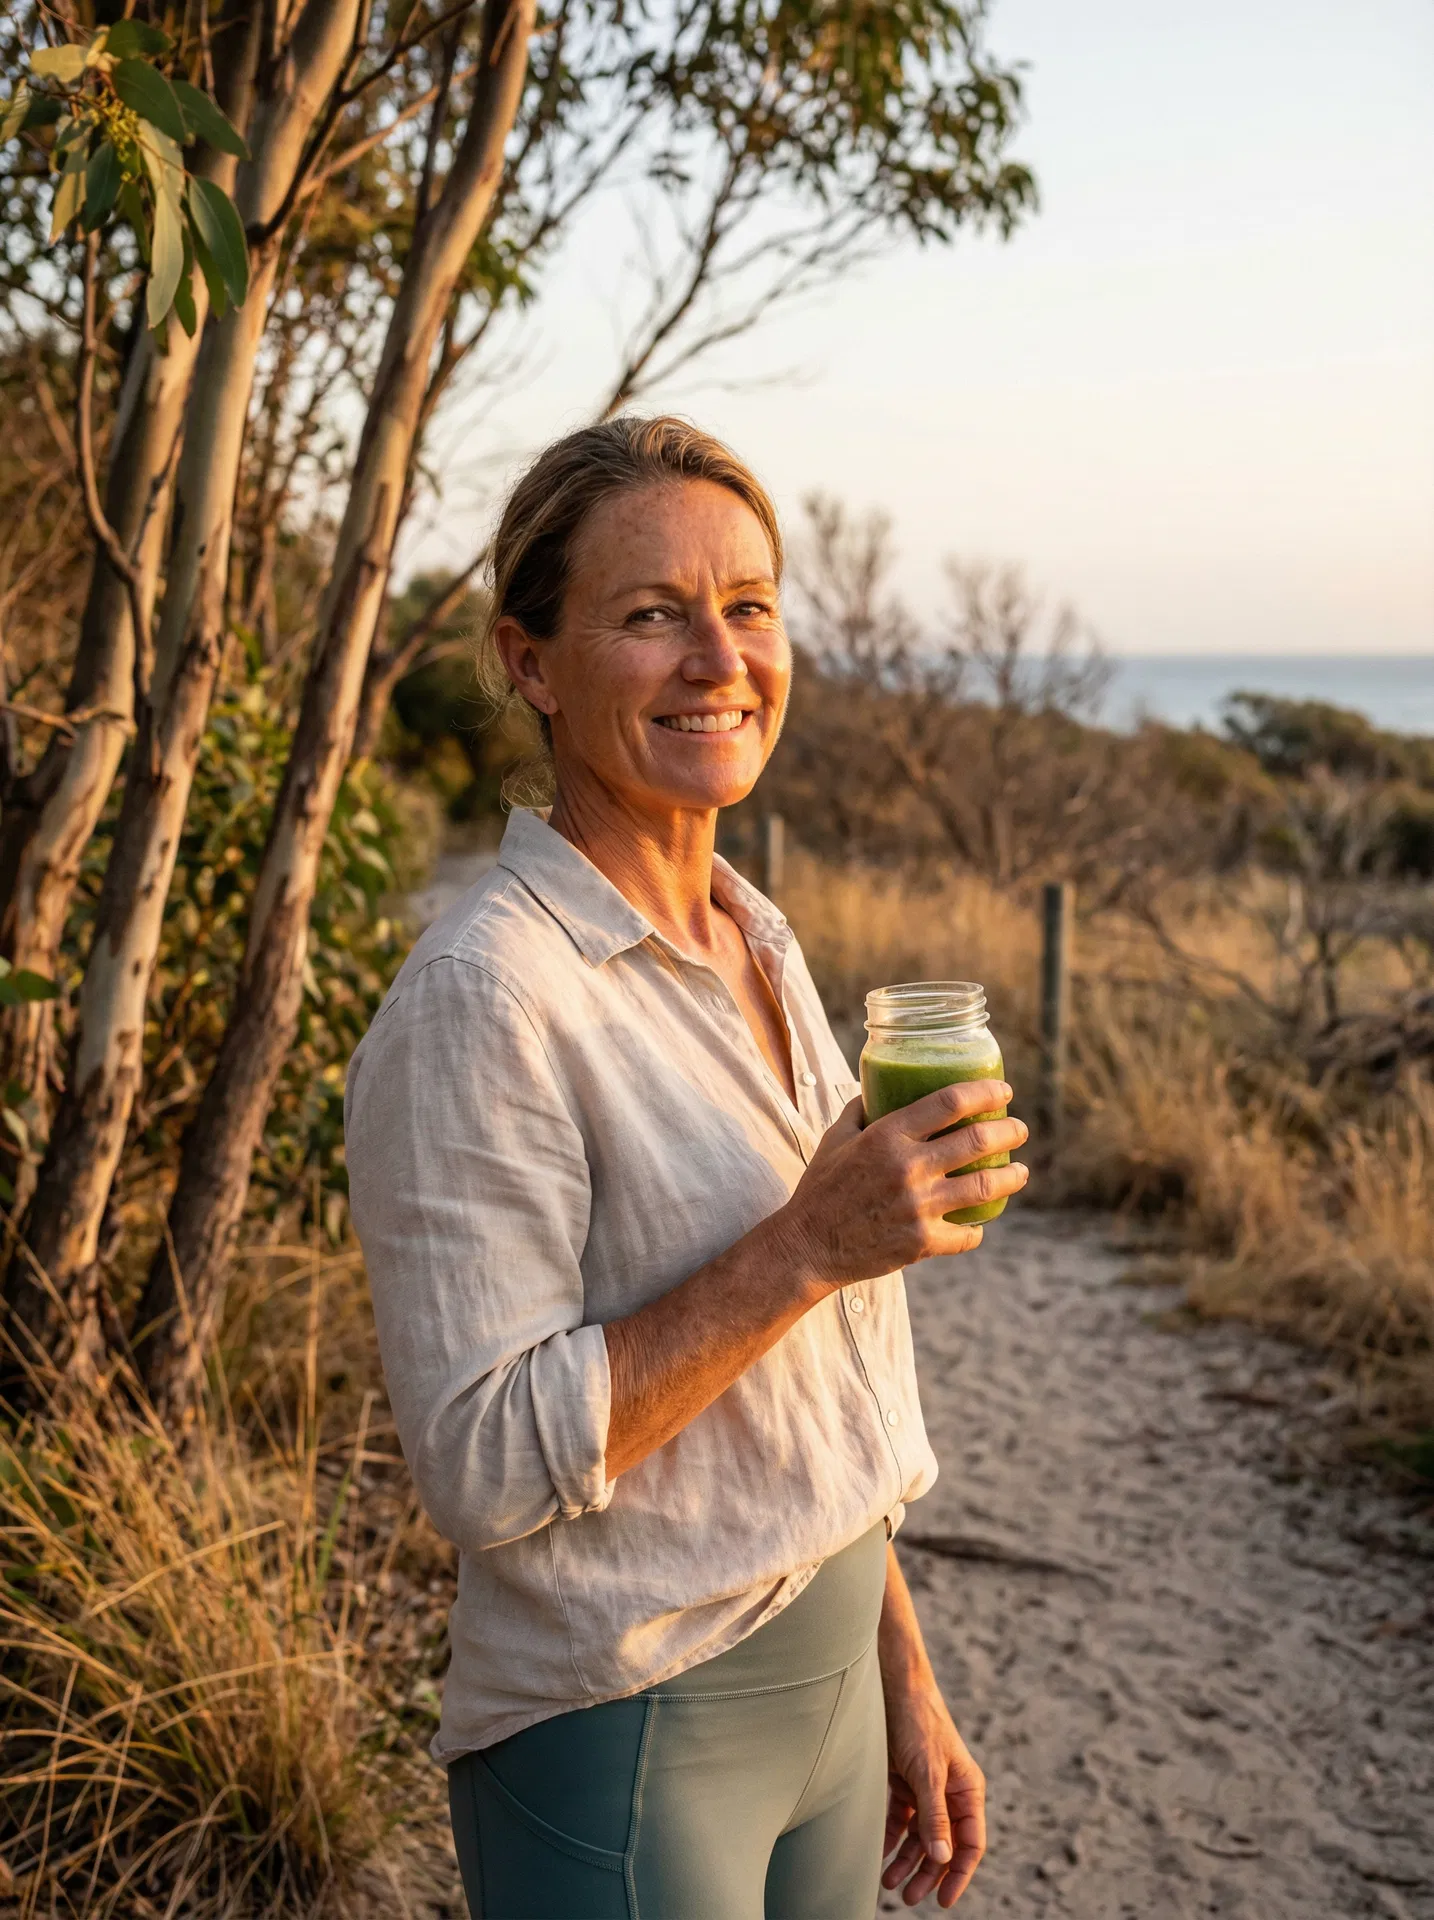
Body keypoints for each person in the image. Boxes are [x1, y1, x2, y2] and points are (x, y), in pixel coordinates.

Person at [344, 415, 1030, 1919]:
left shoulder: (753, 931)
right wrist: (802, 1245)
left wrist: (895, 1672)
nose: (719, 661)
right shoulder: (487, 993)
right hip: (630, 1722)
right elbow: (479, 1466)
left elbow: (815, 1386)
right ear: (531, 663)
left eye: (747, 606)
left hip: (831, 1690)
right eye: (650, 616)